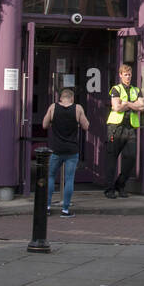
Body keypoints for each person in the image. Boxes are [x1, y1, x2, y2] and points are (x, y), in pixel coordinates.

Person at [42, 87, 89, 217]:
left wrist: (53, 120)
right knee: (69, 179)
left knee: (50, 177)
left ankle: (47, 207)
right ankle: (65, 210)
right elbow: (86, 126)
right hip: (71, 150)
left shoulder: (53, 107)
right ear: (72, 98)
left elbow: (44, 125)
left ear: (61, 98)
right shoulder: (78, 108)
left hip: (56, 149)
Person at [105, 62, 144, 199]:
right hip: (115, 127)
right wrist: (133, 105)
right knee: (112, 158)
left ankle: (120, 185)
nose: (128, 77)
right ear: (120, 75)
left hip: (130, 128)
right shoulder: (116, 89)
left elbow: (142, 107)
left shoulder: (136, 90)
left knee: (131, 157)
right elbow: (116, 108)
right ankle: (109, 189)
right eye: (125, 74)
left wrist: (126, 103)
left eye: (130, 74)